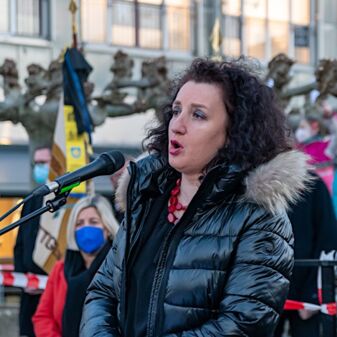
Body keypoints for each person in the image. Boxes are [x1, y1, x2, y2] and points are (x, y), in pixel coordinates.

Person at [80, 58, 312, 337]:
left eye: (198, 115)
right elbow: (103, 291)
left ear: (233, 134)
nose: (177, 125)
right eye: (176, 111)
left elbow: (243, 323)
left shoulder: (259, 218)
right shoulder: (146, 198)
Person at [32, 194, 119, 337]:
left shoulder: (118, 269)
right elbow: (43, 317)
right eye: (79, 223)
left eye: (93, 221)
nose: (86, 228)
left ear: (107, 228)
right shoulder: (61, 269)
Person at [274, 172, 337, 337]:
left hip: (306, 290)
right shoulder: (253, 184)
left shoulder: (313, 183)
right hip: (265, 291)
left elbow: (327, 239)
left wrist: (313, 294)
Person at [14, 146, 51, 337]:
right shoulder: (31, 200)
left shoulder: (66, 201)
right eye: (36, 163)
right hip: (28, 292)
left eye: (43, 162)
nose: (39, 167)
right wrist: (23, 279)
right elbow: (19, 244)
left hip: (51, 291)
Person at [295, 114, 334, 193]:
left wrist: (329, 116)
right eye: (299, 127)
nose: (299, 131)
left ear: (314, 128)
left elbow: (335, 133)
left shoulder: (325, 146)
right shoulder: (297, 149)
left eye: (303, 127)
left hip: (324, 197)